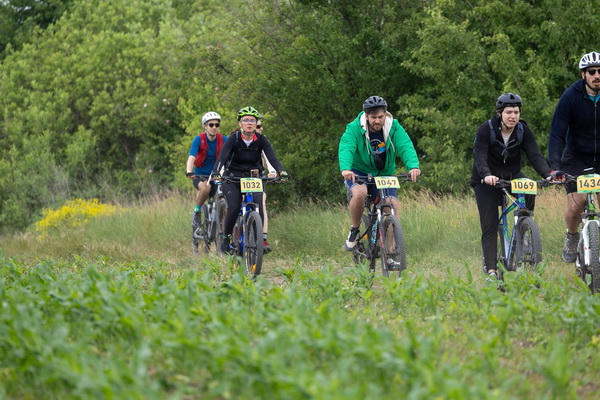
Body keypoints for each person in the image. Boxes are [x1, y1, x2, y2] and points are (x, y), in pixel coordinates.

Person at [471, 93, 551, 280]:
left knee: (529, 188)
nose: (513, 116)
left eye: (516, 112)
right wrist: (487, 175)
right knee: (490, 223)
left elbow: (534, 155)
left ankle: (525, 227)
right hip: (486, 178)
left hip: (512, 174)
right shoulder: (486, 129)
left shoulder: (523, 130)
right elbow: (480, 157)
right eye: (509, 112)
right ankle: (491, 270)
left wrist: (548, 174)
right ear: (500, 113)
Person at [338, 95, 421, 251]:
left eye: (380, 117)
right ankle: (354, 229)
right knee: (360, 194)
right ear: (366, 116)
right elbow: (346, 147)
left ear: (385, 114)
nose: (377, 121)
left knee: (392, 205)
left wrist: (413, 166)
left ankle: (392, 253)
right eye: (373, 117)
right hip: (359, 170)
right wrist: (346, 169)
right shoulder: (354, 128)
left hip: (384, 172)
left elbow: (405, 145)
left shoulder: (393, 126)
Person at [212, 106, 288, 254]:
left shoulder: (261, 139)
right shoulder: (234, 139)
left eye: (252, 120)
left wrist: (282, 171)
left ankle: (259, 239)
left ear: (256, 123)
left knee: (258, 203)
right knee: (234, 207)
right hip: (232, 177)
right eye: (246, 120)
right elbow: (222, 157)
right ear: (240, 123)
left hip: (253, 177)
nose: (249, 123)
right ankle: (226, 239)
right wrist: (216, 172)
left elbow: (272, 157)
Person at [548, 51, 600, 263]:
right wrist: (554, 167)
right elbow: (557, 134)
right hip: (576, 156)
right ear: (583, 74)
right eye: (592, 71)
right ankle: (571, 235)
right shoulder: (571, 96)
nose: (597, 75)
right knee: (578, 202)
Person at [186, 112, 227, 229]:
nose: (214, 127)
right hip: (201, 175)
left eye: (217, 125)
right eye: (211, 125)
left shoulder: (223, 139)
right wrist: (189, 171)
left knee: (227, 198)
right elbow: (192, 157)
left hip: (218, 175)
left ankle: (225, 232)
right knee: (205, 188)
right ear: (205, 126)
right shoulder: (199, 139)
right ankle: (197, 211)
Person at [255, 120, 278, 253]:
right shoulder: (237, 138)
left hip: (257, 176)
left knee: (262, 200)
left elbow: (268, 157)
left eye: (261, 126)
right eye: (259, 126)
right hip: (240, 175)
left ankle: (263, 238)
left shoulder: (262, 140)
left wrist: (273, 171)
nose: (261, 128)